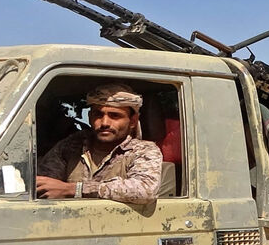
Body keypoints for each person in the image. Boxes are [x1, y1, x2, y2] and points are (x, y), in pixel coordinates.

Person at [35, 83, 174, 204]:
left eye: (115, 116)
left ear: (132, 121)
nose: (105, 123)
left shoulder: (143, 150)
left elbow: (144, 190)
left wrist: (74, 190)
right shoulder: (72, 145)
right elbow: (43, 181)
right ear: (90, 117)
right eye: (98, 114)